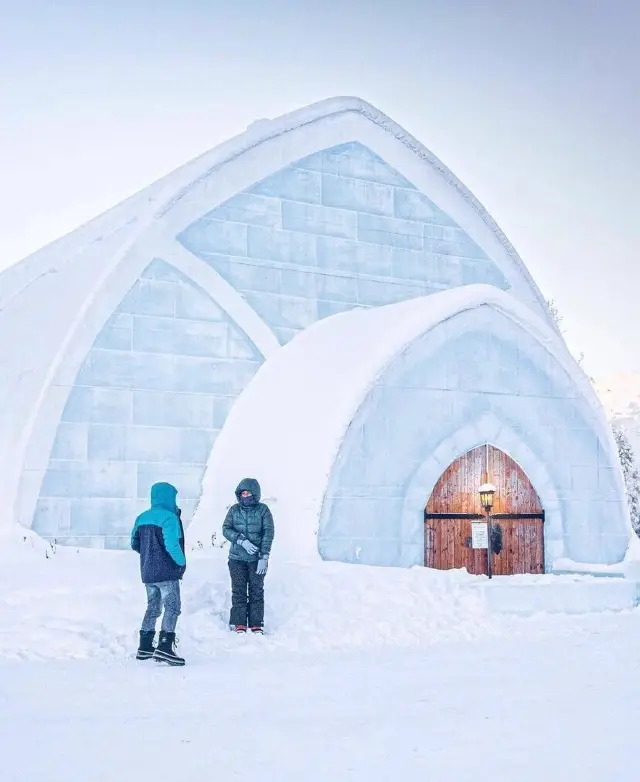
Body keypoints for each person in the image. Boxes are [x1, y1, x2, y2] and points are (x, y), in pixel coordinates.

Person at [131, 482, 186, 666]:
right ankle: (165, 647)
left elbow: (134, 543)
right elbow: (172, 545)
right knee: (172, 607)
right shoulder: (169, 518)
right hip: (167, 571)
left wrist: (149, 555)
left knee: (153, 608)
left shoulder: (141, 518)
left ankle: (145, 647)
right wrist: (181, 561)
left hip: (147, 572)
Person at [222, 478, 274, 633]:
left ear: (255, 493)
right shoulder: (234, 510)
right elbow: (226, 529)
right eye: (242, 493)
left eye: (248, 492)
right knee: (238, 590)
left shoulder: (263, 510)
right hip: (236, 559)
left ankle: (256, 623)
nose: (245, 495)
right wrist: (241, 540)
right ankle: (239, 623)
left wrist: (264, 557)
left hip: (256, 559)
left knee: (256, 590)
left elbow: (268, 533)